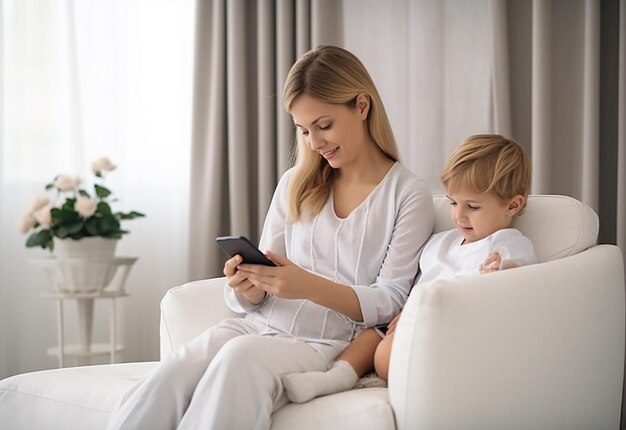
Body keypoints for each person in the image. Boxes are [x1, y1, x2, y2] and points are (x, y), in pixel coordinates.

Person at [106, 45, 434, 430]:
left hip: (322, 344)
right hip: (256, 325)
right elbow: (258, 286)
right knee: (171, 374)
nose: (314, 143)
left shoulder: (408, 194)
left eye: (324, 125)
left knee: (240, 360)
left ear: (362, 106)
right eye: (304, 130)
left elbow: (393, 299)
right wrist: (248, 287)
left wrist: (307, 286)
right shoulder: (296, 182)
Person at [282, 133, 538, 403]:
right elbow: (416, 284)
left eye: (472, 206)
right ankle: (336, 377)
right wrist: (404, 313)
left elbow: (521, 274)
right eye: (453, 202)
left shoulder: (505, 243)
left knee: (386, 355)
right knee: (371, 337)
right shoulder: (442, 242)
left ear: (513, 205)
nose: (459, 215)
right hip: (415, 321)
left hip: (454, 331)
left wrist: (503, 268)